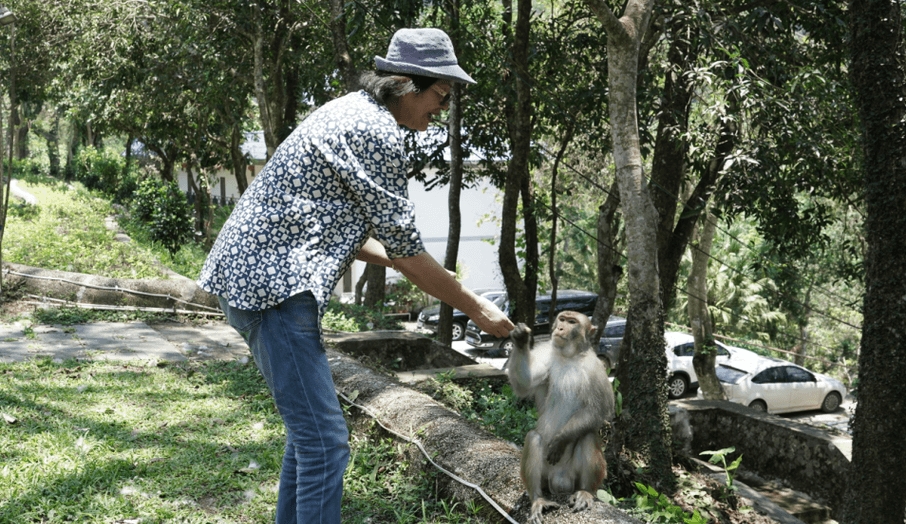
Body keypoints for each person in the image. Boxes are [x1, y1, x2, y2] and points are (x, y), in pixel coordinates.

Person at [197, 27, 514, 524]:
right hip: (275, 289)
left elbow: (349, 231)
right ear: (407, 84)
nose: (443, 108)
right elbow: (406, 250)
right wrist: (475, 307)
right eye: (441, 95)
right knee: (325, 444)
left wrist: (417, 266)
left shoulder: (350, 111)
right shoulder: (375, 131)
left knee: (310, 439)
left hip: (257, 280)